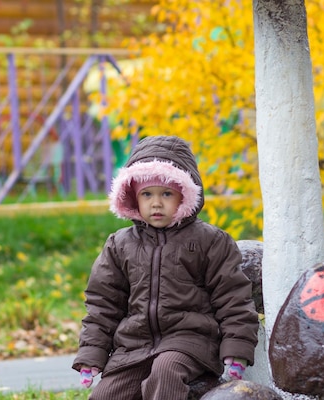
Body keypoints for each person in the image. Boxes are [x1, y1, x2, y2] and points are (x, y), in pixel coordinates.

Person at [72, 135, 259, 399]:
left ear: (185, 194)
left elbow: (233, 298)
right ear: (132, 197)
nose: (156, 203)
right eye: (146, 194)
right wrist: (92, 355)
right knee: (107, 394)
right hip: (134, 347)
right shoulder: (120, 244)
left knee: (166, 370)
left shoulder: (210, 241)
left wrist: (236, 350)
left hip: (189, 342)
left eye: (166, 194)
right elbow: (103, 304)